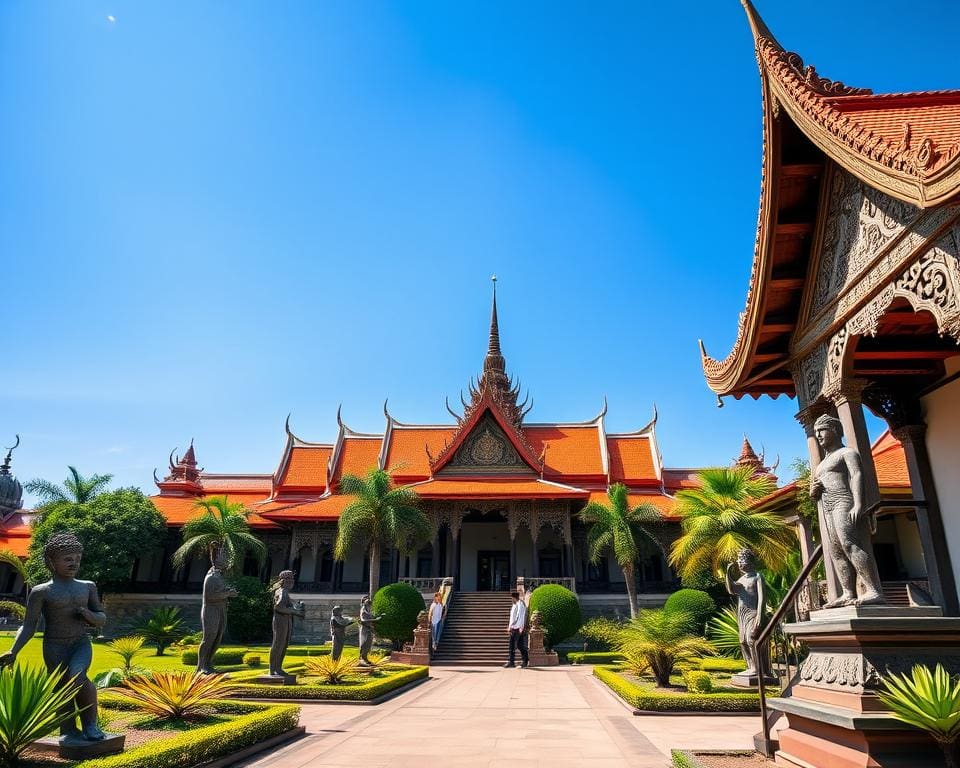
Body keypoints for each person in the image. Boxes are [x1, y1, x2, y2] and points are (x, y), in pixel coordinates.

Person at [0, 532, 107, 741]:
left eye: (77, 559)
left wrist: (88, 614)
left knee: (76, 676)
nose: (74, 563)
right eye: (68, 559)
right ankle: (68, 729)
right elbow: (29, 626)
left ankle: (90, 724)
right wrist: (14, 650)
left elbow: (101, 618)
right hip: (54, 646)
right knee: (60, 686)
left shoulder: (87, 586)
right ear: (51, 561)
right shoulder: (42, 592)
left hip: (79, 643)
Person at [810, 414, 885, 608]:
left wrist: (859, 503)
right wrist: (814, 491)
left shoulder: (847, 453)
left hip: (843, 500)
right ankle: (847, 592)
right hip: (827, 506)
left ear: (834, 430)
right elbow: (816, 491)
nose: (818, 435)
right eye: (816, 432)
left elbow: (857, 474)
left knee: (849, 543)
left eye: (822, 430)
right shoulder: (821, 464)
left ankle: (873, 590)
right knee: (835, 550)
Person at [724, 548, 772, 679]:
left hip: (753, 612)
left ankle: (759, 669)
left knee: (752, 640)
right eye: (738, 561)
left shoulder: (757, 577)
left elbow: (762, 598)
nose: (739, 563)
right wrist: (727, 573)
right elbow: (731, 589)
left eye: (742, 560)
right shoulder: (741, 579)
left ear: (750, 562)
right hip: (742, 614)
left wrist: (760, 616)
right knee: (743, 641)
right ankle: (751, 667)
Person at [197, 546, 237, 674]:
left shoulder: (219, 576)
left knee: (217, 638)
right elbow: (210, 596)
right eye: (223, 557)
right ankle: (201, 666)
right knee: (209, 637)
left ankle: (209, 664)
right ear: (216, 559)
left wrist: (229, 592)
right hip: (211, 611)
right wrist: (227, 594)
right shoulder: (211, 577)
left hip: (220, 609)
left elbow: (220, 592)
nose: (226, 560)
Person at [269, 570, 305, 677]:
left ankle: (277, 668)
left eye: (292, 579)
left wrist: (295, 610)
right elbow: (278, 607)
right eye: (289, 579)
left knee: (283, 644)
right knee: (278, 644)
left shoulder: (284, 592)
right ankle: (273, 669)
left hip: (285, 620)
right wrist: (294, 611)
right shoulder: (282, 592)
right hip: (281, 621)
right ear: (283, 580)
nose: (291, 581)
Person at [504, 590, 528, 668]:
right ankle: (511, 662)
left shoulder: (520, 604)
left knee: (519, 645)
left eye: (512, 598)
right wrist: (510, 626)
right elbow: (512, 617)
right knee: (511, 646)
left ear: (515, 597)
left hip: (518, 628)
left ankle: (525, 660)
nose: (511, 599)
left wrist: (520, 627)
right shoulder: (514, 605)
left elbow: (520, 617)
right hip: (513, 628)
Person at [357, 595, 383, 666]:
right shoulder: (363, 609)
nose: (369, 605)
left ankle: (365, 658)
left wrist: (379, 616)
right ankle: (362, 658)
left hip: (369, 629)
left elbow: (371, 617)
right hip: (364, 629)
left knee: (368, 644)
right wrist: (375, 620)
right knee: (364, 643)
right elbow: (363, 620)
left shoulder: (368, 610)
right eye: (367, 602)